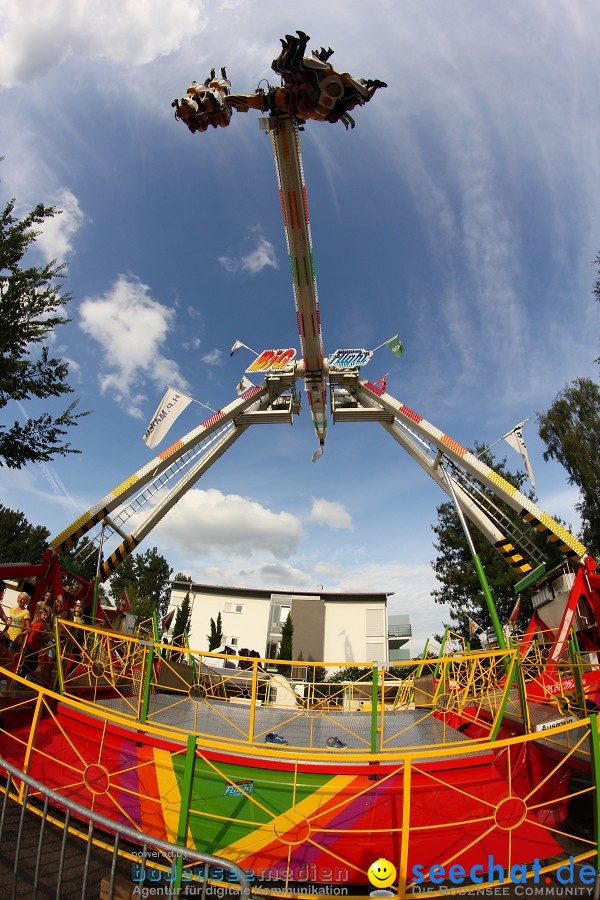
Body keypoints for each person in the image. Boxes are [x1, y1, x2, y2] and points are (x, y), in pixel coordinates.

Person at [0, 591, 32, 673]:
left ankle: (8, 685)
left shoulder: (26, 613)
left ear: (26, 601)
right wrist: (3, 632)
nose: (20, 600)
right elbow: (9, 622)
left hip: (15, 640)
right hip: (7, 636)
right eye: (19, 598)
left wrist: (20, 636)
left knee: (9, 662)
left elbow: (29, 629)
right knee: (2, 660)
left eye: (23, 599)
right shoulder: (13, 609)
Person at [20, 603, 52, 678]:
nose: (46, 616)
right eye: (44, 614)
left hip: (33, 645)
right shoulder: (38, 624)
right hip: (33, 646)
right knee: (32, 665)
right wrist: (45, 639)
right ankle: (21, 677)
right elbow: (35, 637)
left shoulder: (40, 623)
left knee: (29, 663)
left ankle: (22, 677)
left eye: (47, 615)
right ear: (40, 615)